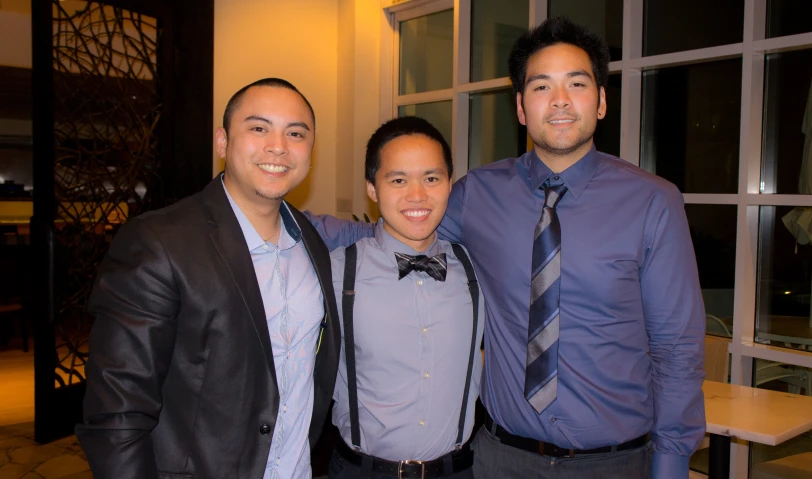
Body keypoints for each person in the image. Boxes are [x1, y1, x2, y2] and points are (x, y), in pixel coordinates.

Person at [307, 16, 706, 479]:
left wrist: (673, 462)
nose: (559, 100)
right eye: (541, 87)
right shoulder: (479, 193)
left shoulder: (653, 201)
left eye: (576, 83)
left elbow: (677, 348)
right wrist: (273, 216)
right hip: (501, 459)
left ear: (600, 101)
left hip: (614, 462)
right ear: (520, 106)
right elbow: (400, 227)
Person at [76, 78, 341, 479]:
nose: (278, 145)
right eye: (258, 127)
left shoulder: (311, 244)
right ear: (222, 142)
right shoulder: (160, 242)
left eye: (296, 133)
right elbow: (118, 411)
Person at [327, 116, 483, 479]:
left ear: (449, 184)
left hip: (457, 471)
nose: (417, 195)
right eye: (398, 180)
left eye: (432, 178)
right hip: (361, 471)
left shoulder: (475, 269)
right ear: (372, 187)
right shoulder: (337, 272)